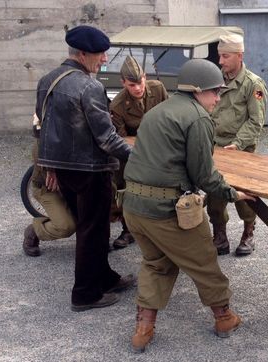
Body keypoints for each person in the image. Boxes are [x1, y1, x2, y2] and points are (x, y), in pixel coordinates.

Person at [122, 59, 255, 353]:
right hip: (166, 210)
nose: (218, 98)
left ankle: (143, 329)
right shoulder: (197, 118)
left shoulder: (157, 111)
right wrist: (232, 193)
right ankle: (224, 318)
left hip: (133, 207)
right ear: (198, 90)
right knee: (204, 262)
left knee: (156, 264)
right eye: (214, 92)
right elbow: (204, 174)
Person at [36, 25, 135, 312]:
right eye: (99, 54)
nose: (104, 59)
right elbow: (106, 137)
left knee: (90, 227)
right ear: (82, 54)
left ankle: (104, 277)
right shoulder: (89, 86)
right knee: (93, 230)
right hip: (90, 171)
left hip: (65, 171)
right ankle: (85, 294)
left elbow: (42, 128)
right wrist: (137, 156)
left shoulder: (47, 80)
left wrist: (50, 167)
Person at [208, 33, 268, 256]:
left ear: (239, 56)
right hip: (215, 148)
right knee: (215, 194)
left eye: (225, 56)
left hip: (240, 150)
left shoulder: (253, 84)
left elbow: (256, 121)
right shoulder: (215, 80)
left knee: (244, 197)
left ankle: (248, 233)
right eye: (219, 56)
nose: (221, 61)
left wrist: (237, 143)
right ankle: (220, 236)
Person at [109, 56, 168, 249]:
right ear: (123, 83)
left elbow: (170, 117)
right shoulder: (117, 106)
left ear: (145, 76)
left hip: (160, 147)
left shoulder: (158, 89)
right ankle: (128, 230)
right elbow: (121, 140)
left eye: (140, 81)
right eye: (132, 84)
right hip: (132, 153)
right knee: (124, 187)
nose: (138, 88)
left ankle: (163, 230)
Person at [23, 114, 76, 257]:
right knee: (65, 226)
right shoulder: (44, 142)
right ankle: (34, 230)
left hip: (73, 186)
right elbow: (50, 178)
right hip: (49, 188)